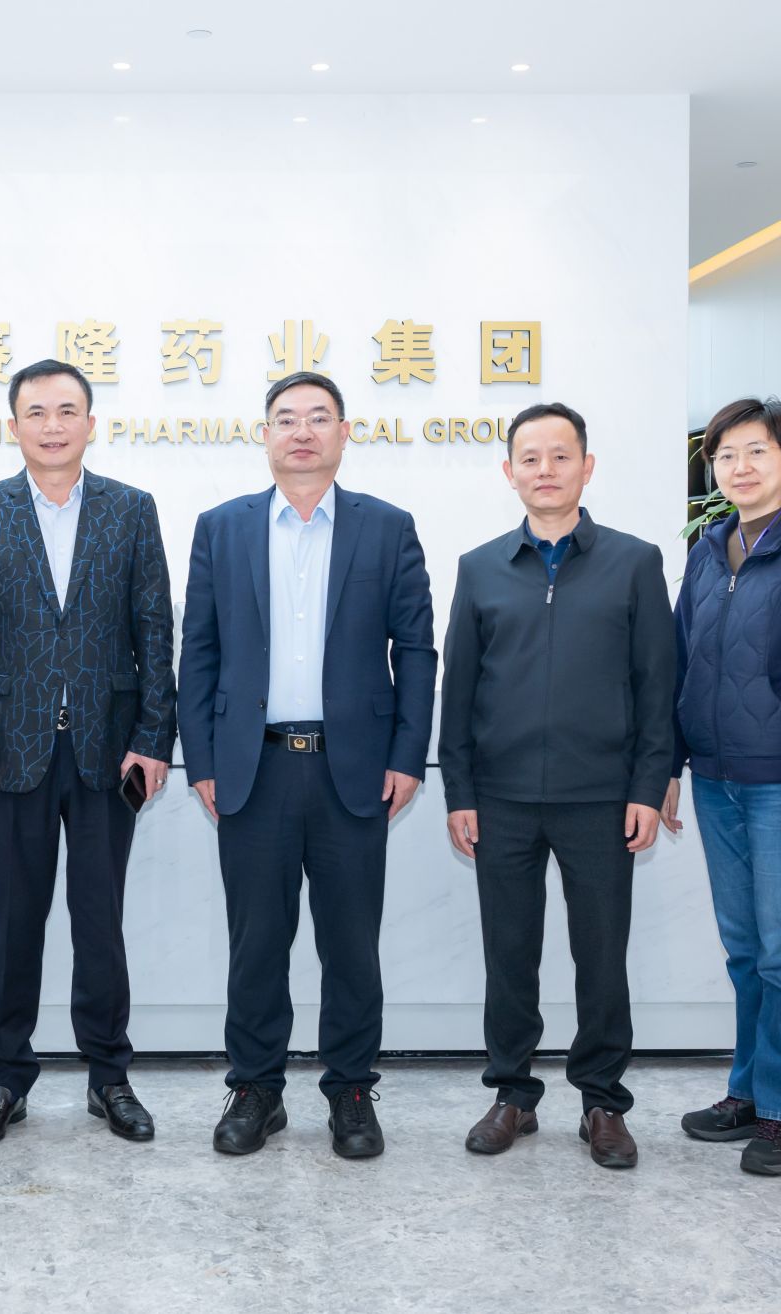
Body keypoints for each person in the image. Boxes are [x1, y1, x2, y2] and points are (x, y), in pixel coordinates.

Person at [180, 371, 435, 1159]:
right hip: (250, 769)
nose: (302, 431)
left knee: (351, 944)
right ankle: (256, 1089)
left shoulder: (386, 528)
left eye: (318, 418)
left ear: (343, 433)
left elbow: (416, 651)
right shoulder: (221, 528)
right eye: (286, 418)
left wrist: (409, 756)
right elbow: (199, 653)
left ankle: (351, 1091)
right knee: (256, 943)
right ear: (265, 435)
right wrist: (201, 760)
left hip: (352, 769)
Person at [0, 358, 176, 1149]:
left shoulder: (131, 510)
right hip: (12, 754)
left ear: (90, 423)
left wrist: (152, 739)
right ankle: (5, 1079)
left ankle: (109, 1076)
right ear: (14, 426)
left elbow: (155, 634)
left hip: (110, 756)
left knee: (99, 921)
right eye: (37, 412)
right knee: (17, 921)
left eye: (67, 410)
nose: (52, 425)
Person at [439, 402, 674, 1171]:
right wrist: (459, 793)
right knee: (509, 955)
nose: (546, 470)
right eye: (531, 459)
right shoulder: (480, 568)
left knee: (601, 957)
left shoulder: (633, 562)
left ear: (587, 467)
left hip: (601, 797)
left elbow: (656, 685)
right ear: (509, 472)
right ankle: (513, 1093)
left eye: (560, 456)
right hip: (501, 799)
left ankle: (602, 1102)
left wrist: (648, 786)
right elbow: (458, 690)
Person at [665, 398, 781, 1175]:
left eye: (755, 452)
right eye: (725, 455)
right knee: (745, 952)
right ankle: (747, 1091)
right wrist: (670, 766)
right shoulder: (709, 550)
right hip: (716, 780)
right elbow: (680, 661)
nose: (739, 467)